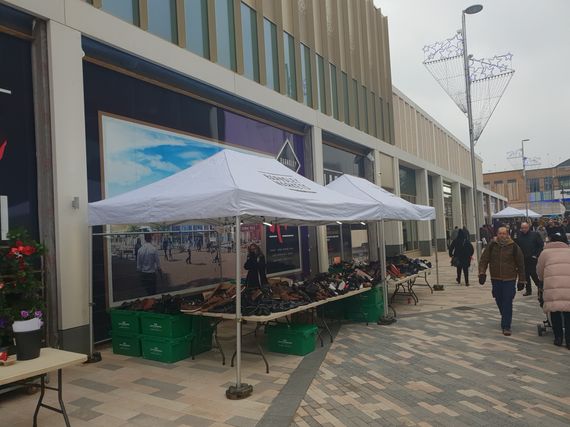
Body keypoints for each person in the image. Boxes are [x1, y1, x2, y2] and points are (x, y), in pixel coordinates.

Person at [478, 226, 526, 336]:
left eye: (504, 233)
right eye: (500, 233)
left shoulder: (514, 246)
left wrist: (522, 280)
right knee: (499, 299)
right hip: (496, 278)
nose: (502, 235)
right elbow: (484, 259)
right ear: (497, 234)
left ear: (507, 234)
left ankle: (506, 326)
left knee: (508, 300)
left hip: (510, 278)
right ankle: (505, 316)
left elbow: (521, 264)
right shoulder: (492, 245)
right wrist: (482, 273)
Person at [537, 232, 570, 348]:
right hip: (568, 287)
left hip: (553, 286)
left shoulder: (545, 253)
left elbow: (539, 271)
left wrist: (542, 279)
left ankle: (558, 338)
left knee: (555, 312)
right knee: (568, 313)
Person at [515, 222, 544, 296]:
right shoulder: (519, 235)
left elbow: (541, 245)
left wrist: (536, 255)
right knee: (526, 275)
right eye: (522, 228)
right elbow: (516, 246)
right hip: (523, 259)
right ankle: (528, 290)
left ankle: (540, 288)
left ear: (529, 227)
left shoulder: (535, 234)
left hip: (532, 258)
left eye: (525, 228)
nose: (524, 229)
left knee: (534, 274)